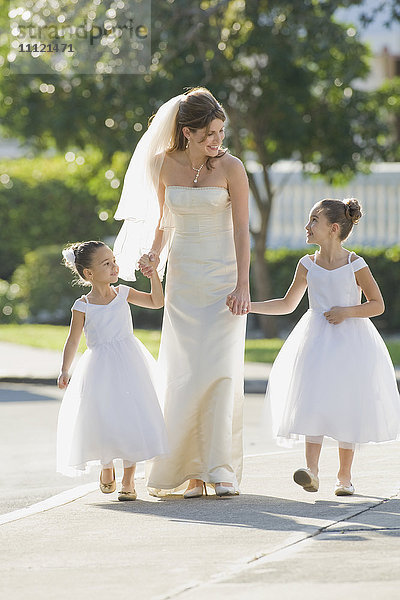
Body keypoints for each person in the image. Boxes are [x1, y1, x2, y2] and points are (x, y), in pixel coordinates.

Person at [113, 87, 250, 497]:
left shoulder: (232, 168)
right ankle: (191, 472)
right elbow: (163, 221)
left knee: (220, 370)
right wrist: (154, 255)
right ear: (187, 132)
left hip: (224, 279)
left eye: (221, 131)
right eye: (209, 133)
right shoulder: (163, 164)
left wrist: (243, 284)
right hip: (184, 280)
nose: (217, 140)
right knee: (185, 373)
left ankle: (219, 468)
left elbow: (242, 231)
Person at [250, 198, 400, 496]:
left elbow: (377, 305)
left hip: (351, 342)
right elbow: (287, 303)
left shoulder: (355, 264)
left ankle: (344, 476)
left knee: (348, 402)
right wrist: (249, 306)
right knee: (312, 399)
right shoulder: (307, 264)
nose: (307, 226)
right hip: (315, 341)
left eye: (313, 221)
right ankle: (312, 470)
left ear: (333, 228)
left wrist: (347, 312)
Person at [57, 240, 168, 501]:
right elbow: (73, 340)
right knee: (104, 416)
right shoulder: (82, 305)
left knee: (131, 416)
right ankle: (107, 465)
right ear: (89, 274)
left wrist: (153, 277)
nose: (114, 266)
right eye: (106, 264)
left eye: (114, 261)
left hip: (130, 363)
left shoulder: (124, 294)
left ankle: (129, 478)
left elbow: (157, 302)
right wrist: (65, 369)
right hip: (99, 368)